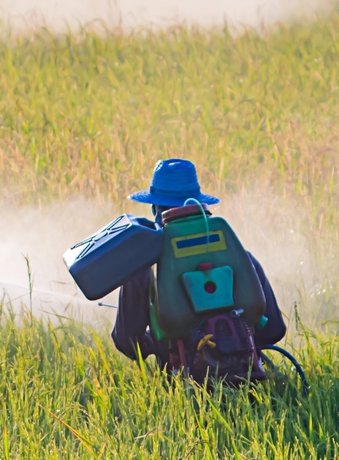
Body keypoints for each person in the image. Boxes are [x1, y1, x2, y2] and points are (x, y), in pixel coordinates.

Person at [111, 158, 286, 382]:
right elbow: (274, 330)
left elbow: (126, 342)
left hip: (182, 390)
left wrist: (156, 340)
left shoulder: (142, 267)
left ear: (156, 209)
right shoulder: (241, 256)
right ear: (201, 206)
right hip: (246, 384)